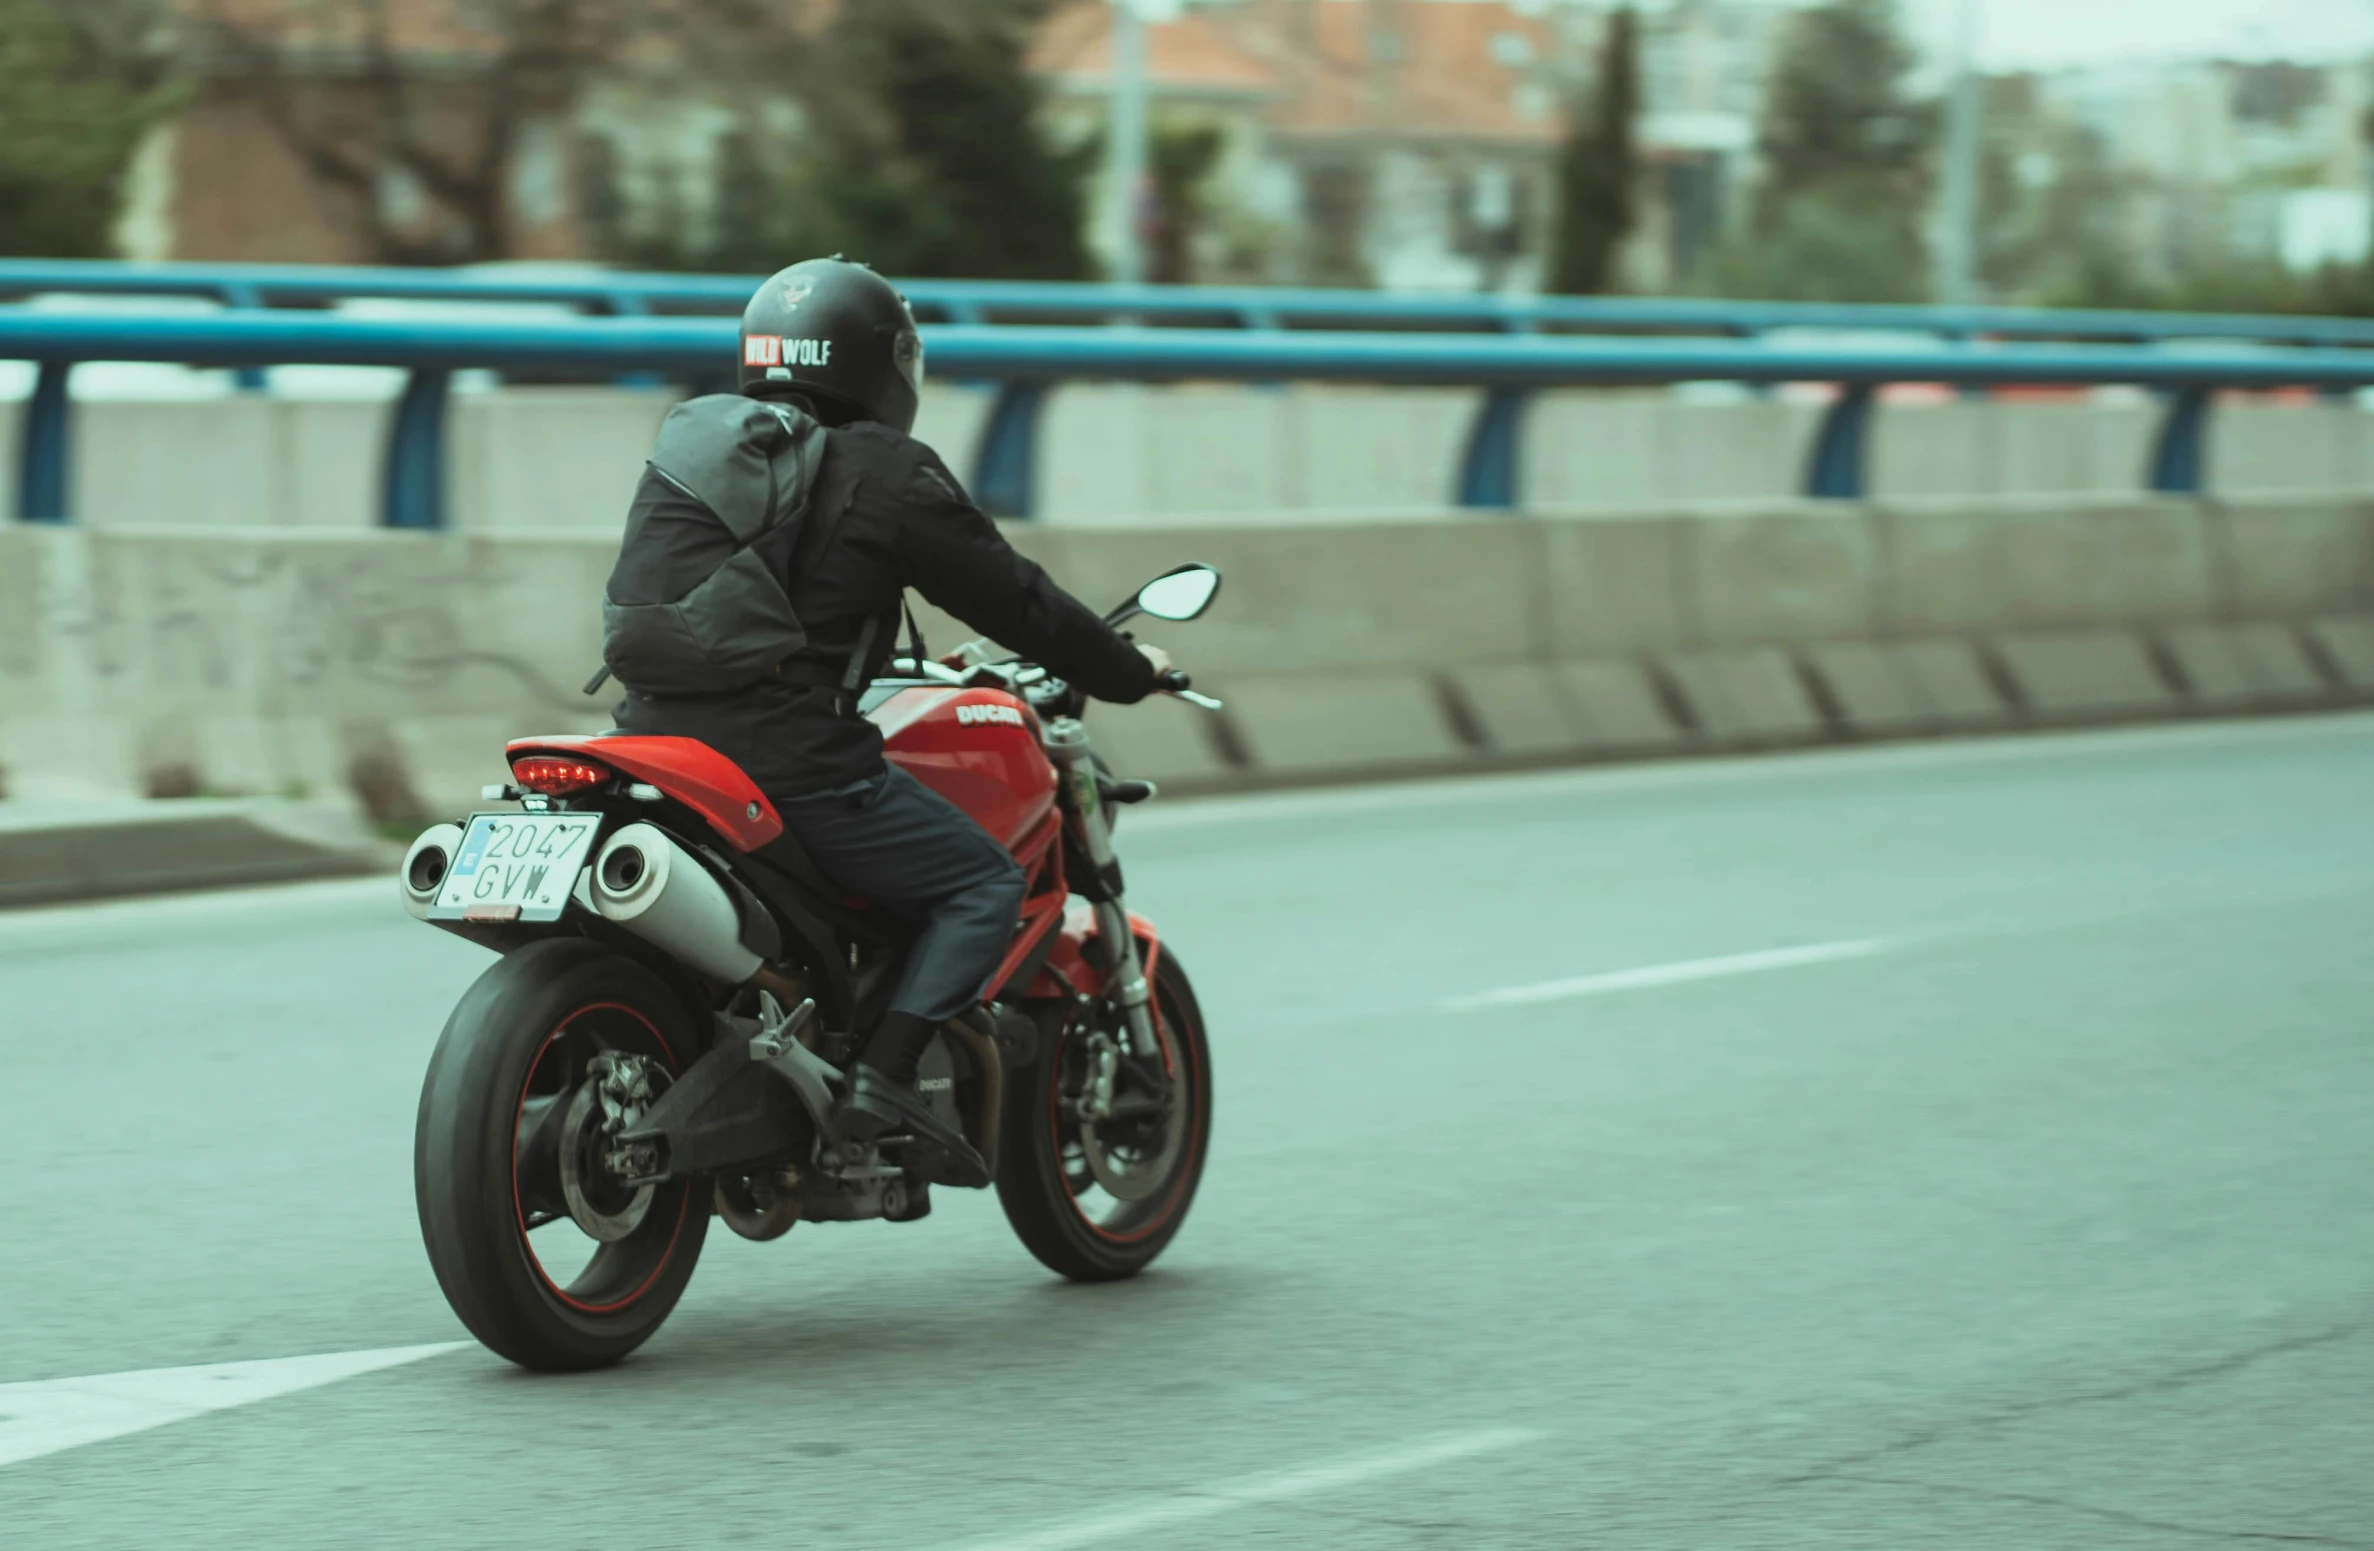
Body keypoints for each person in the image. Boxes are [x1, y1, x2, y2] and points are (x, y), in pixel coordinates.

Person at [605, 258, 1167, 1178]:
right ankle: (886, 1077)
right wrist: (1126, 669)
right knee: (980, 884)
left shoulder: (707, 445)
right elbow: (1019, 602)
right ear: (885, 363)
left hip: (651, 745)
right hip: (791, 765)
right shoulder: (887, 469)